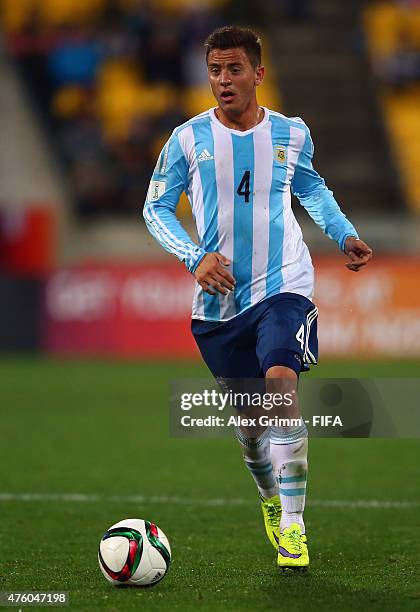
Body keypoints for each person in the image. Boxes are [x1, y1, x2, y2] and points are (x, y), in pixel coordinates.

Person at [143, 25, 373, 571]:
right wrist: (193, 256)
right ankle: (271, 501)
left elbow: (310, 187)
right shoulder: (185, 140)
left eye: (234, 69)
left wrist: (342, 233)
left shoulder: (292, 133)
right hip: (220, 307)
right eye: (215, 71)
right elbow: (155, 209)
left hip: (284, 284)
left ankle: (293, 525)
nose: (223, 80)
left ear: (258, 75)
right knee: (251, 428)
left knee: (279, 384)